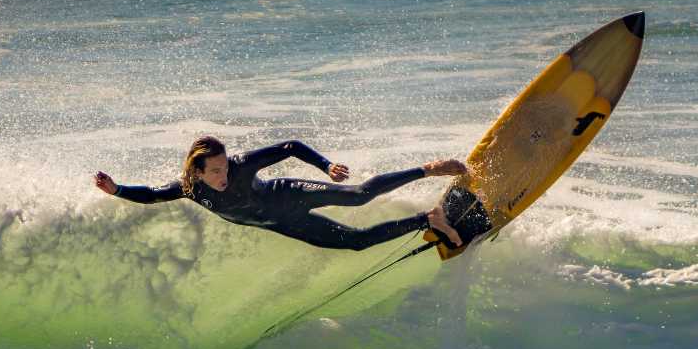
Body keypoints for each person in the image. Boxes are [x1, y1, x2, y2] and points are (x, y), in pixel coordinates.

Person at [94, 136, 464, 251]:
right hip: (282, 224)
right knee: (357, 243)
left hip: (289, 197)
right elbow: (151, 195)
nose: (224, 176)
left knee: (357, 195)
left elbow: (289, 146)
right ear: (197, 172)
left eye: (225, 167)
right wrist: (117, 190)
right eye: (216, 171)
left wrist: (325, 166)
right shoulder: (188, 188)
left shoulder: (239, 166)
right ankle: (428, 220)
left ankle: (429, 169)